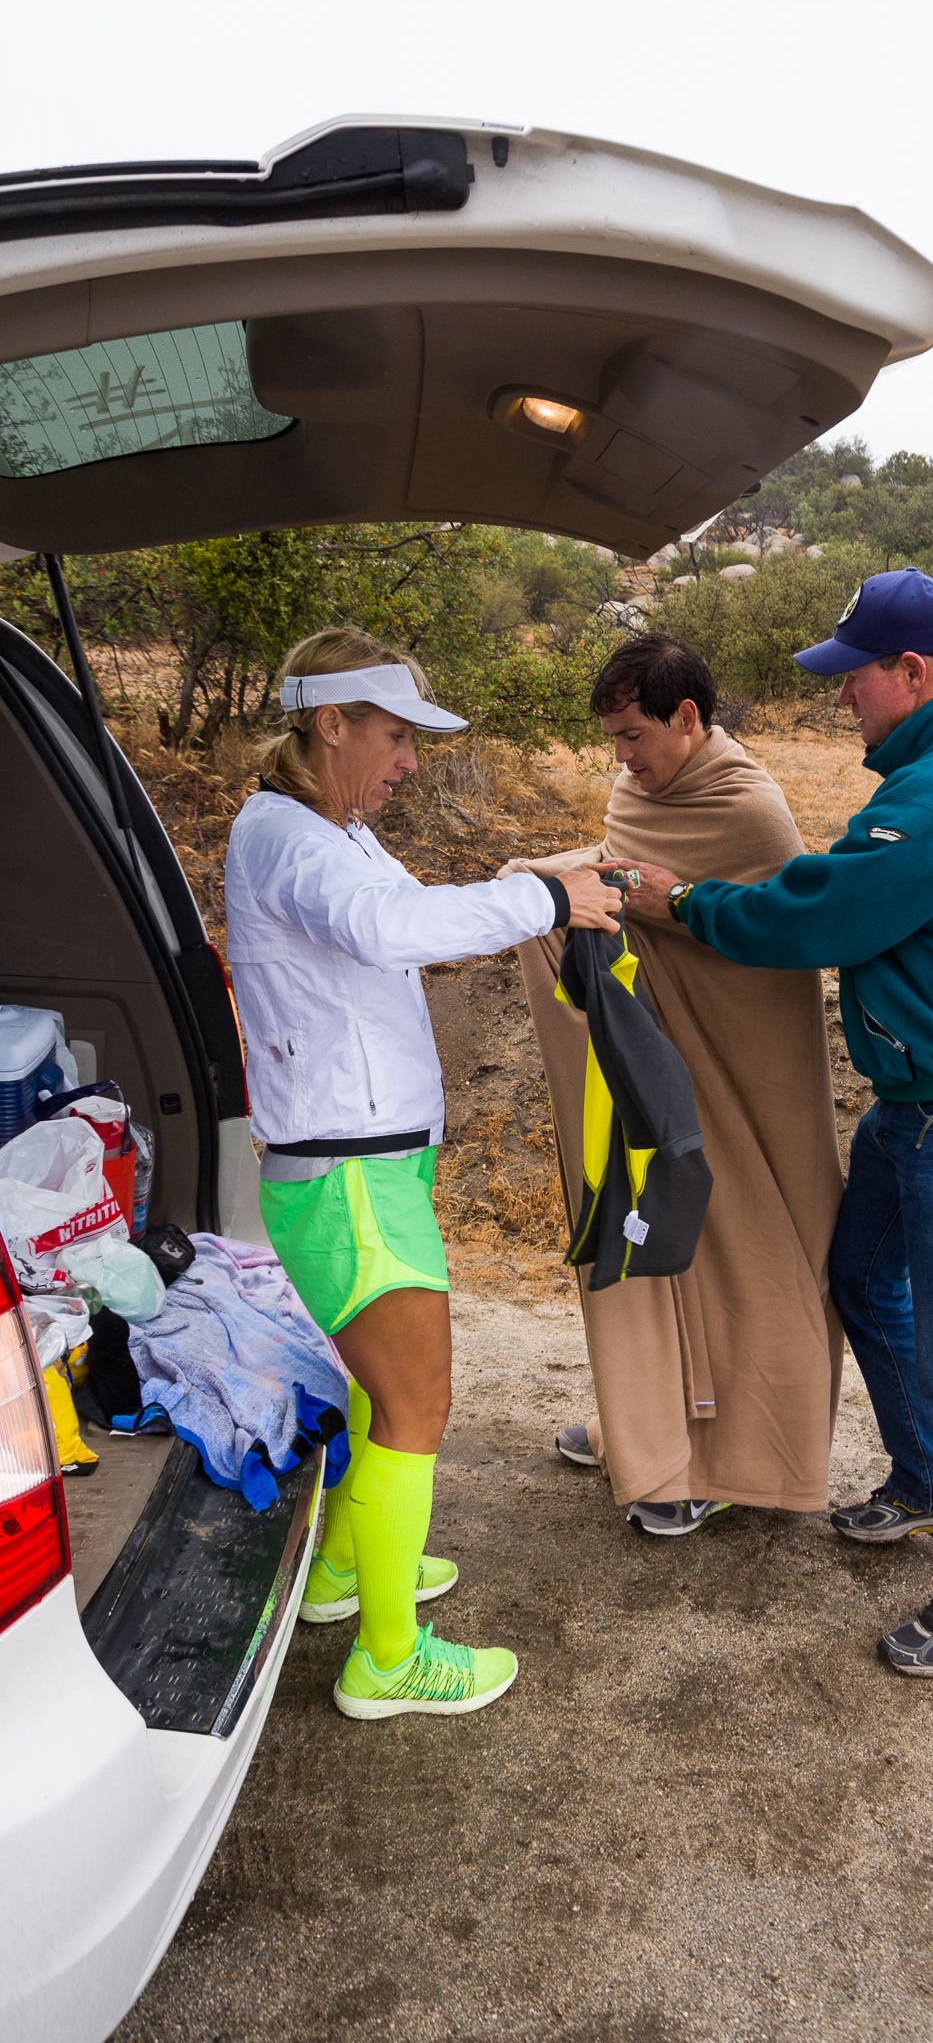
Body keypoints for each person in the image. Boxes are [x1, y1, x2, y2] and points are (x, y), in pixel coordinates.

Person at [609, 570, 933, 1674]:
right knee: (858, 1281)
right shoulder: (929, 766)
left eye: (852, 677)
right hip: (921, 1103)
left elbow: (824, 909)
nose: (838, 697)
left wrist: (688, 903)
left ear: (912, 673)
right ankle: (915, 1482)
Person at [224, 626, 622, 1719]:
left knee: (377, 1390)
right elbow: (392, 927)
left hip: (364, 1167)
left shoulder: (330, 829)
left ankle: (349, 1575)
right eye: (395, 737)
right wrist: (545, 903)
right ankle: (388, 1661)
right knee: (417, 1403)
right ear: (329, 722)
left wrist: (542, 873)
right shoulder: (294, 841)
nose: (409, 762)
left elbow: (417, 908)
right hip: (348, 1175)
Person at [499, 635, 844, 1536]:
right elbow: (625, 889)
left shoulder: (751, 811)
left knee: (752, 1251)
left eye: (632, 735)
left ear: (688, 718)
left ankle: (738, 1466)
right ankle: (650, 1436)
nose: (620, 756)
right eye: (611, 738)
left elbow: (769, 943)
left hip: (743, 1073)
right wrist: (538, 885)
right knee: (648, 1237)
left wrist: (657, 902)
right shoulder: (637, 791)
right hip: (661, 1058)